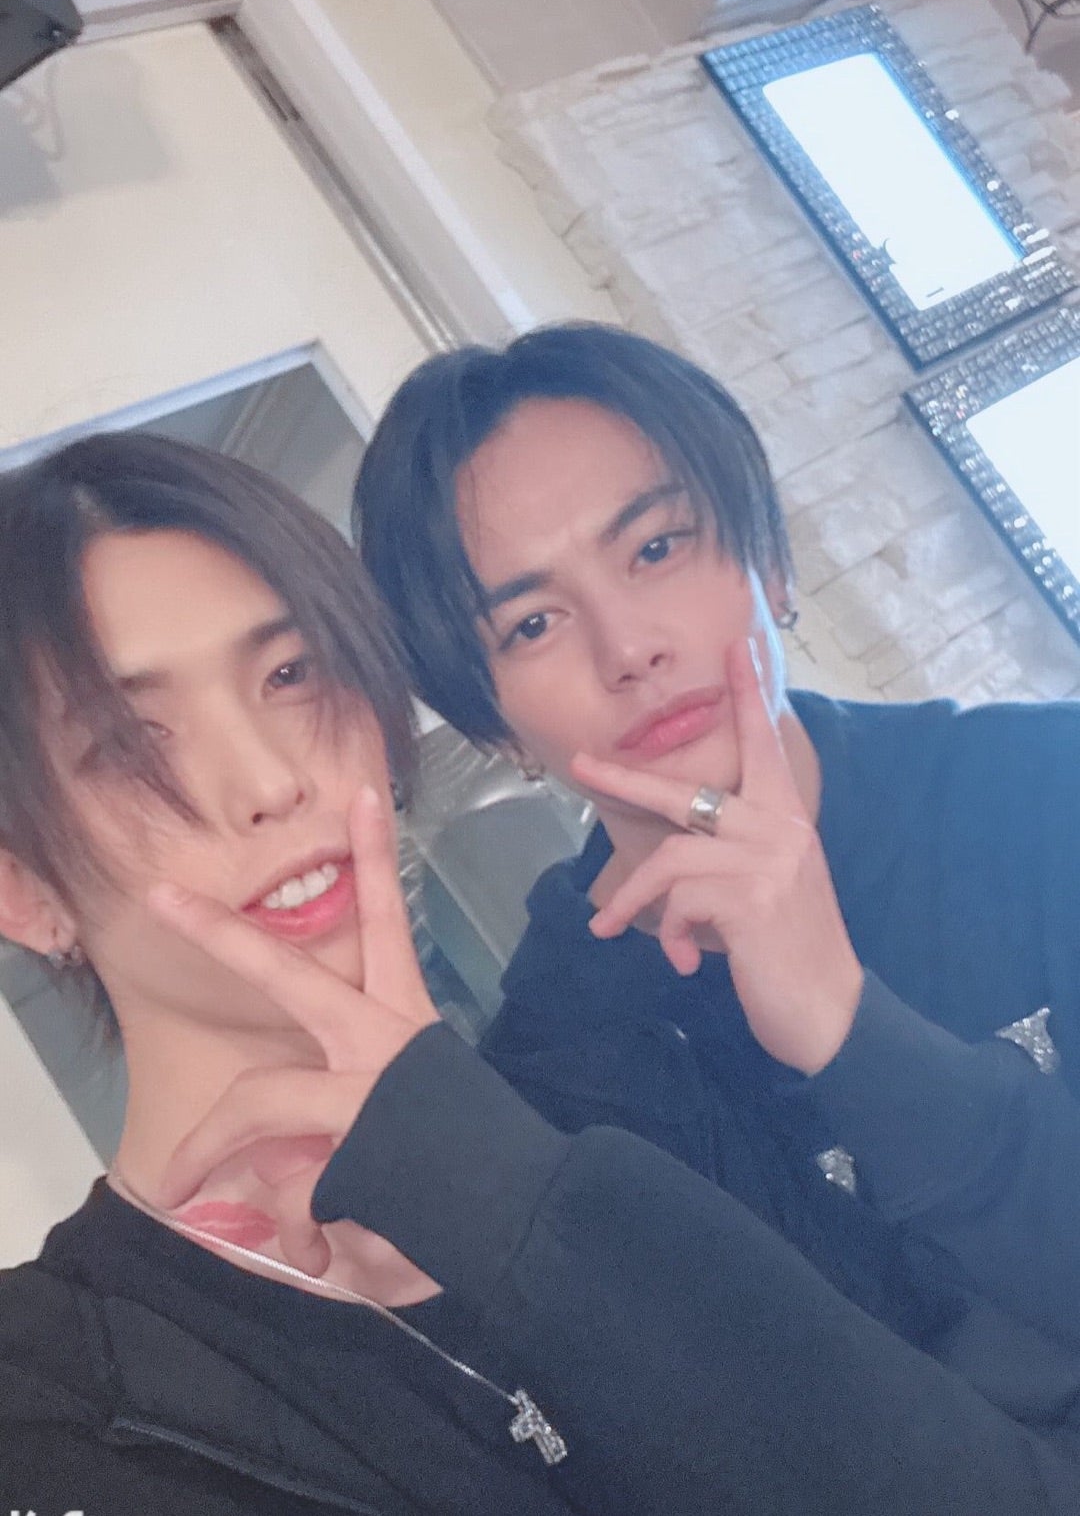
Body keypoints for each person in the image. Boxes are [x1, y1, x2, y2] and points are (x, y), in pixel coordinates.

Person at [5, 434, 1080, 1516]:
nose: (270, 780)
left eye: (291, 675)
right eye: (127, 743)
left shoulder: (626, 1102)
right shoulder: (55, 1397)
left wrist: (503, 1194)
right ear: (20, 888)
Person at [356, 320, 1080, 1360]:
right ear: (494, 729)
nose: (628, 648)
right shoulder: (558, 1075)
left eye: (655, 549)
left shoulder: (1043, 785)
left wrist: (845, 1022)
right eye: (532, 624)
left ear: (770, 561)